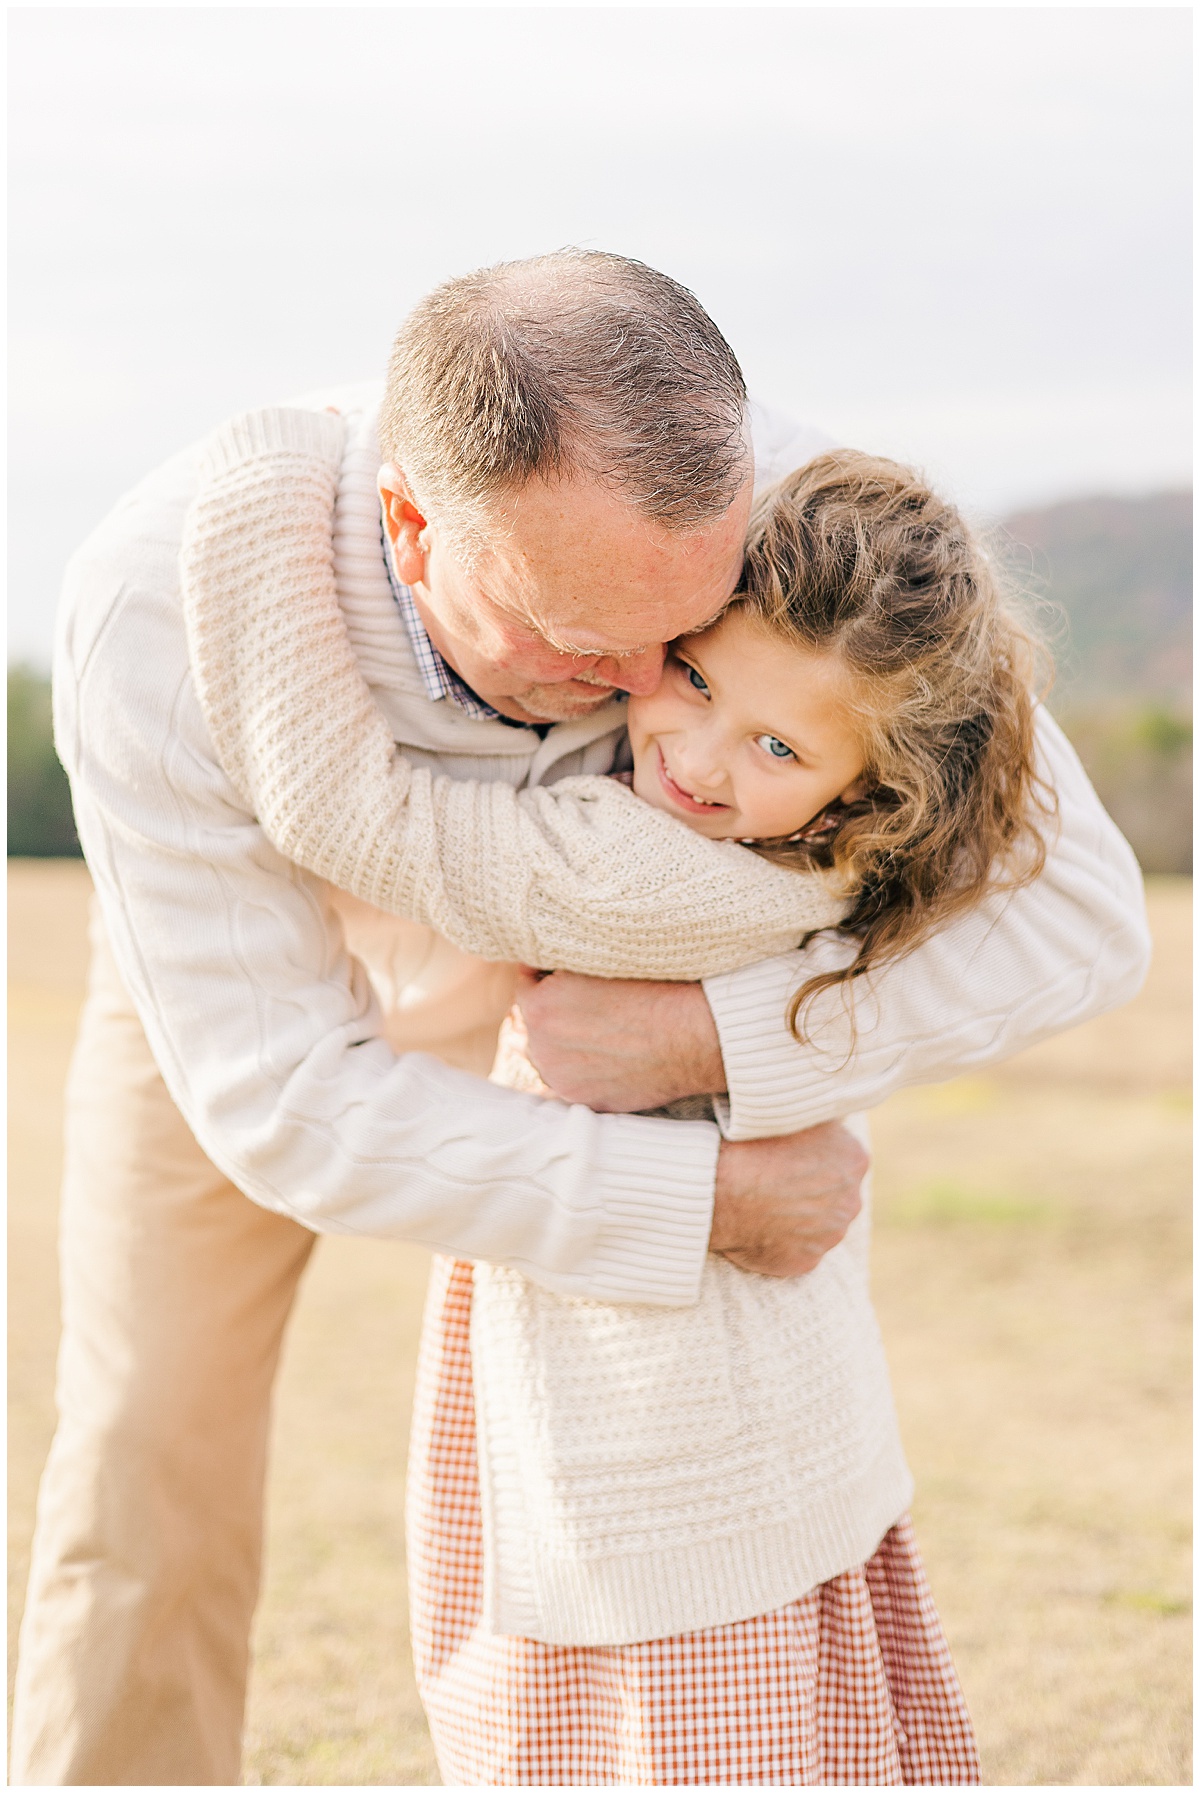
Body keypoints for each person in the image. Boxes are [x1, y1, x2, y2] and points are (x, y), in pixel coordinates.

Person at [12, 252, 1148, 1788]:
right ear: (415, 530)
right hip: (254, 984)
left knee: (639, 1474)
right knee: (149, 1453)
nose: (635, 690)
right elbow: (285, 1102)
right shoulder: (154, 606)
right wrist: (707, 1199)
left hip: (641, 963)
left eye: (679, 638)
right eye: (574, 640)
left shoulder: (780, 496)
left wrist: (711, 1044)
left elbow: (1076, 906)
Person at [180, 434, 1054, 1783]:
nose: (695, 758)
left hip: (657, 1460)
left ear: (866, 794)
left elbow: (343, 808)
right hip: (760, 1428)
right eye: (693, 674)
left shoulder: (649, 870)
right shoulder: (802, 847)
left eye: (771, 742)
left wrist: (262, 475)